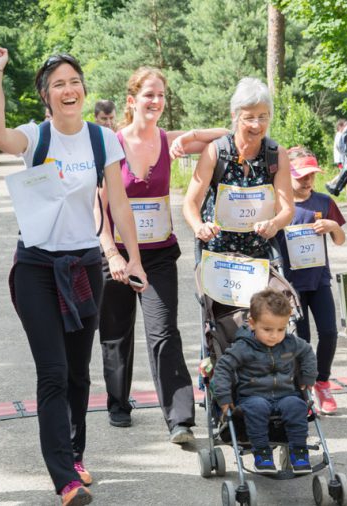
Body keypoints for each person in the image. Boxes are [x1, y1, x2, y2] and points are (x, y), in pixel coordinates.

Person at [0, 41, 148, 506]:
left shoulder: (102, 139)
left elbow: (118, 203)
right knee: (52, 371)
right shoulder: (37, 138)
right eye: (59, 84)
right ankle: (64, 479)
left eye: (75, 82)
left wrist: (131, 258)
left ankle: (74, 456)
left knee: (78, 372)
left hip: (83, 266)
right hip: (36, 265)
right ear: (46, 95)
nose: (69, 89)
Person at [96, 66, 228, 442]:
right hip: (118, 256)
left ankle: (179, 419)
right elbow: (98, 205)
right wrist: (111, 255)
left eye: (161, 96)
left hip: (157, 256)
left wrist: (191, 136)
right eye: (149, 95)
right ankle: (118, 403)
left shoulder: (170, 141)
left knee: (164, 332)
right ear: (131, 100)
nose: (155, 102)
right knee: (115, 334)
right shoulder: (111, 144)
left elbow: (228, 137)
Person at [182, 77, 294, 261]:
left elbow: (287, 210)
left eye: (263, 117)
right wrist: (199, 227)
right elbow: (190, 203)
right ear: (235, 116)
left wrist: (274, 224)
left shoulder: (276, 154)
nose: (256, 125)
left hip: (259, 258)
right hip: (217, 255)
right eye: (249, 117)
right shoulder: (216, 151)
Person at [212, 288, 317, 474]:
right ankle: (262, 453)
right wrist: (224, 396)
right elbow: (223, 368)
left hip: (286, 394)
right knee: (257, 407)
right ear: (252, 323)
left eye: (281, 329)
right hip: (252, 396)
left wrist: (309, 376)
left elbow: (307, 352)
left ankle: (299, 451)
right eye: (267, 329)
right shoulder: (243, 347)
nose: (274, 335)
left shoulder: (290, 343)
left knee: (297, 405)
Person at [277, 148, 346, 414]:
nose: (307, 181)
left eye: (311, 176)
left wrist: (333, 227)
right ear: (288, 175)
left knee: (329, 332)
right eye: (301, 176)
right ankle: (302, 391)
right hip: (291, 285)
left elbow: (339, 240)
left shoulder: (324, 202)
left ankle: (322, 381)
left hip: (319, 280)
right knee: (302, 339)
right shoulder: (280, 203)